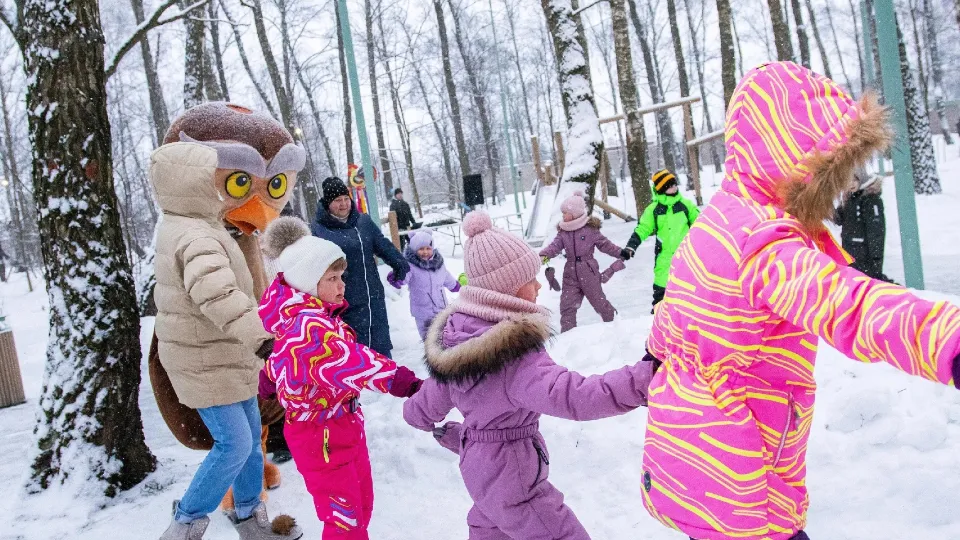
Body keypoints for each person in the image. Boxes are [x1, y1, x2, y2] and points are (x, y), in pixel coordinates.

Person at [639, 61, 960, 540]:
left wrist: (653, 355)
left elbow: (676, 310)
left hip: (692, 453)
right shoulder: (764, 244)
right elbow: (845, 303)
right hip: (746, 473)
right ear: (797, 163)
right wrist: (947, 340)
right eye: (835, 174)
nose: (843, 189)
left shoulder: (718, 219)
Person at [402, 210, 658, 539]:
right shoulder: (513, 354)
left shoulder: (456, 340)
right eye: (530, 279)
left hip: (479, 471)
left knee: (491, 527)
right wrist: (643, 379)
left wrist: (437, 424)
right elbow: (573, 396)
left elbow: (425, 404)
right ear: (506, 289)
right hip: (514, 477)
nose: (538, 285)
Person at [151, 129, 303, 539]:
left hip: (222, 356)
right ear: (193, 183)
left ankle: (251, 517)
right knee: (235, 444)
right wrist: (262, 338)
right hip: (206, 361)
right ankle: (185, 523)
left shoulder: (196, 225)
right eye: (211, 178)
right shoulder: (196, 235)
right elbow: (218, 295)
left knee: (251, 440)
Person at [259, 216, 421, 539]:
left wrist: (269, 378)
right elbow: (351, 361)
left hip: (342, 427)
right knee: (344, 521)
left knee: (361, 506)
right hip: (320, 437)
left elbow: (280, 359)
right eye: (332, 278)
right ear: (307, 283)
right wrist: (400, 380)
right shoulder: (308, 328)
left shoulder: (313, 318)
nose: (341, 285)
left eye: (341, 276)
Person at [311, 177, 410, 358]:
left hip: (373, 297)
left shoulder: (363, 222)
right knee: (354, 353)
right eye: (337, 200)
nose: (343, 204)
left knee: (381, 349)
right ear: (327, 203)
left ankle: (386, 380)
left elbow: (382, 245)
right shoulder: (319, 229)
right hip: (343, 300)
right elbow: (313, 266)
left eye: (346, 199)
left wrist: (400, 264)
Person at [539, 190, 626, 332]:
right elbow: (555, 247)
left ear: (574, 214)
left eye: (565, 213)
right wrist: (543, 256)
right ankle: (568, 334)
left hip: (589, 271)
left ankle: (616, 325)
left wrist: (620, 252)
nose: (563, 216)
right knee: (567, 306)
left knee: (599, 303)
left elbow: (605, 245)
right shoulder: (563, 231)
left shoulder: (590, 230)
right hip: (570, 273)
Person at [620, 169, 699, 312]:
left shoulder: (686, 205)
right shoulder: (654, 210)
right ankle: (658, 315)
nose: (674, 187)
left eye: (674, 184)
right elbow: (643, 228)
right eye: (669, 185)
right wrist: (631, 247)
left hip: (687, 254)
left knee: (691, 286)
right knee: (662, 287)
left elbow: (700, 225)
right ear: (662, 189)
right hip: (664, 257)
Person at [386, 230, 461, 340]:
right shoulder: (410, 266)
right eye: (421, 249)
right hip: (422, 312)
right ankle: (431, 355)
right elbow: (404, 277)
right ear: (414, 249)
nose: (425, 252)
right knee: (428, 338)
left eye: (428, 248)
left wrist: (455, 285)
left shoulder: (438, 264)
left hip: (441, 308)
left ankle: (444, 354)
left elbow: (446, 276)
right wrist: (397, 277)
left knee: (445, 335)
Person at [836, 168, 891, 281]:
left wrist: (876, 259)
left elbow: (876, 231)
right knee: (854, 284)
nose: (851, 184)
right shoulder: (849, 198)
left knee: (865, 284)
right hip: (849, 252)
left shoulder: (870, 199)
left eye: (854, 180)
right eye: (848, 180)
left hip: (865, 255)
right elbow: (838, 219)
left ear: (862, 179)